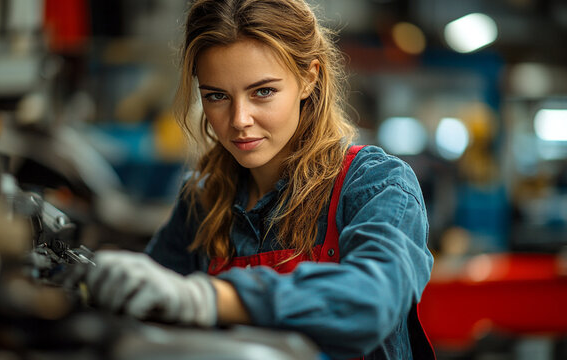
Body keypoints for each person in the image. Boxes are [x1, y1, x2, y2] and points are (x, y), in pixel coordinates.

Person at [75, 0, 434, 359]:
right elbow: (149, 303)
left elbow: (373, 300)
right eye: (217, 96)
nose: (239, 119)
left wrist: (211, 298)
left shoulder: (376, 184)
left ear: (309, 77)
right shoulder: (204, 199)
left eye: (262, 91)